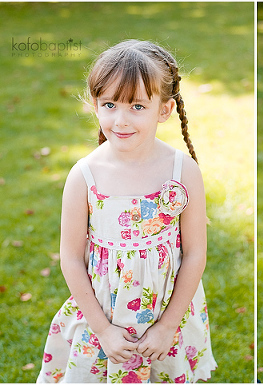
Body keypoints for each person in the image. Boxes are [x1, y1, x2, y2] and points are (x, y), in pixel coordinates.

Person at [38, 40, 216, 383]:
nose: (120, 120)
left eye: (137, 106)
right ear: (95, 105)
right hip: (104, 315)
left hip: (167, 312)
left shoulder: (183, 171)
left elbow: (195, 254)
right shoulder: (84, 176)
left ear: (163, 110)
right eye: (110, 104)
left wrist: (167, 327)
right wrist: (103, 330)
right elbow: (71, 259)